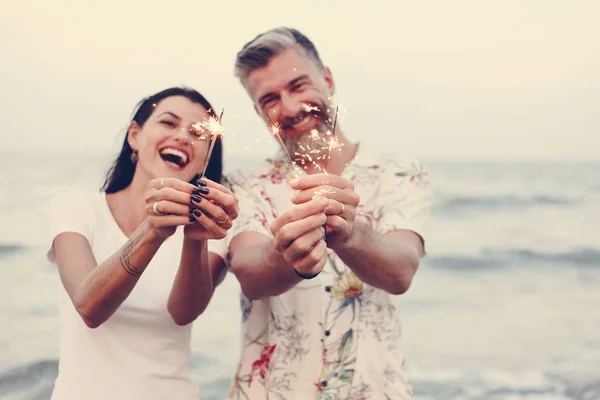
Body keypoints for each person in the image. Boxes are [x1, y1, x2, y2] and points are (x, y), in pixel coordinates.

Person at [224, 28, 432, 399]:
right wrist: (285, 252)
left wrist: (349, 234)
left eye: (299, 85)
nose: (289, 108)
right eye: (270, 99)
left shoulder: (397, 172)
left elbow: (401, 270)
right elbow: (251, 274)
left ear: (328, 80)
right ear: (259, 112)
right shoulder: (243, 184)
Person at [45, 86, 238, 400]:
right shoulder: (75, 209)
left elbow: (184, 313)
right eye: (168, 123)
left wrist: (194, 240)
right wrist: (152, 231)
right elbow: (89, 307)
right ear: (134, 135)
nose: (182, 137)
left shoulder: (213, 230)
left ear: (207, 155)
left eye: (197, 132)